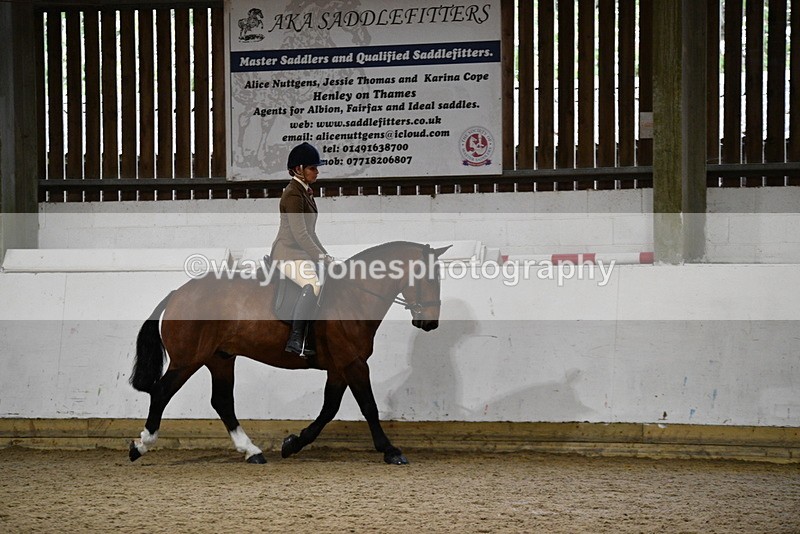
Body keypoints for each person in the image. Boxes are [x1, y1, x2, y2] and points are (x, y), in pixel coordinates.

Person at [270, 142, 333, 357]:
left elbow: (311, 233)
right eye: (312, 168)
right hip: (287, 253)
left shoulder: (305, 192)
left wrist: (326, 257)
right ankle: (296, 339)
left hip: (301, 253)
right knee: (312, 284)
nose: (317, 172)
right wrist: (320, 258)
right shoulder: (293, 195)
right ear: (299, 169)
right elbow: (300, 234)